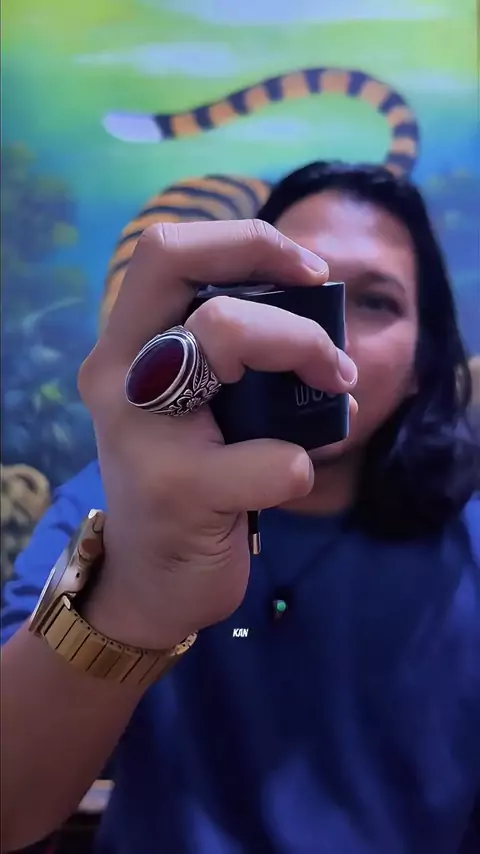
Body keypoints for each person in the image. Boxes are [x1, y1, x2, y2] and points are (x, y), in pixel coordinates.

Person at [1, 161, 479, 854]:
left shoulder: (467, 544)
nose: (324, 335)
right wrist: (132, 598)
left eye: (375, 302)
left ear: (421, 367)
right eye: (292, 299)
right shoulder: (123, 498)